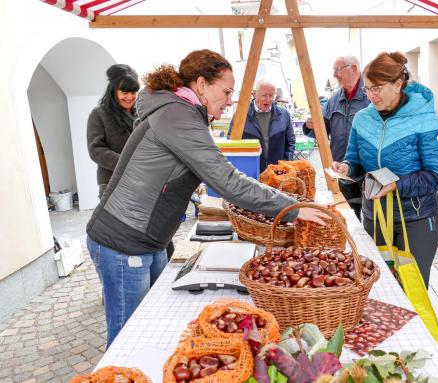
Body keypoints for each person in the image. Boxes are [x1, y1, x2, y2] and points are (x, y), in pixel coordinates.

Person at [86, 49, 328, 348]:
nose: (229, 101)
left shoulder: (180, 111)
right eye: (226, 91)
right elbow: (228, 181)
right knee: (127, 341)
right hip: (124, 241)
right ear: (201, 84)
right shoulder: (178, 115)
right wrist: (292, 208)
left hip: (146, 239)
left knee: (153, 324)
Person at [331, 52, 438, 288]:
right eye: (367, 89)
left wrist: (396, 185)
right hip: (374, 214)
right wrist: (345, 167)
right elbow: (354, 159)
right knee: (377, 284)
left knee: (412, 287)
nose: (371, 96)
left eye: (377, 88)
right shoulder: (363, 118)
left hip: (415, 218)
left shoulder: (424, 119)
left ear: (397, 85)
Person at [303, 55, 370, 219]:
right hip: (342, 169)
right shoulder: (334, 99)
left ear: (353, 68)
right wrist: (311, 126)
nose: (334, 75)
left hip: (368, 170)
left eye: (337, 70)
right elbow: (323, 129)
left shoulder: (370, 95)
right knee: (348, 215)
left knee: (371, 218)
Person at [87, 64, 140, 198]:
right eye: (124, 92)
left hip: (140, 181)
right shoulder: (99, 114)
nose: (129, 97)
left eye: (133, 92)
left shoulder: (140, 113)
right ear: (113, 90)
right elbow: (96, 150)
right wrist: (125, 163)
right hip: (112, 182)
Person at [228, 78, 295, 173]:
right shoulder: (241, 115)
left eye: (271, 95)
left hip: (277, 172)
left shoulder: (284, 115)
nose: (267, 99)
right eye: (264, 95)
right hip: (250, 172)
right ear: (254, 94)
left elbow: (290, 142)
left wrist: (285, 163)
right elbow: (232, 142)